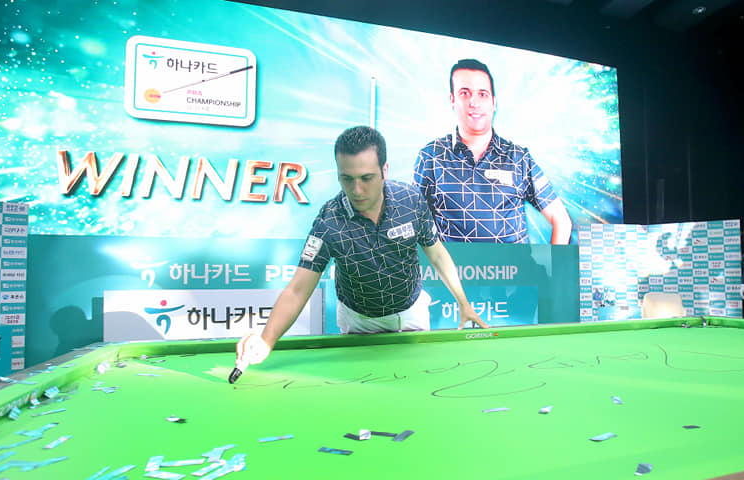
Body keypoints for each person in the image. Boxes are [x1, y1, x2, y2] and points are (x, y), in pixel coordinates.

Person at [233, 126, 488, 381]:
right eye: (347, 179)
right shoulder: (328, 221)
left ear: (384, 170)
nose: (356, 190)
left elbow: (437, 254)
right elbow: (298, 290)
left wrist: (463, 303)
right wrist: (266, 341)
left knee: (418, 385)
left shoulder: (411, 201)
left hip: (412, 315)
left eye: (366, 178)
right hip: (359, 322)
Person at [413, 58, 572, 244]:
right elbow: (413, 224)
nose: (474, 102)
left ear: (493, 103)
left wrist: (552, 264)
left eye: (482, 94)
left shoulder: (519, 158)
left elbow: (561, 221)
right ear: (453, 100)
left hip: (514, 264)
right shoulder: (430, 157)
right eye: (464, 93)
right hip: (451, 264)